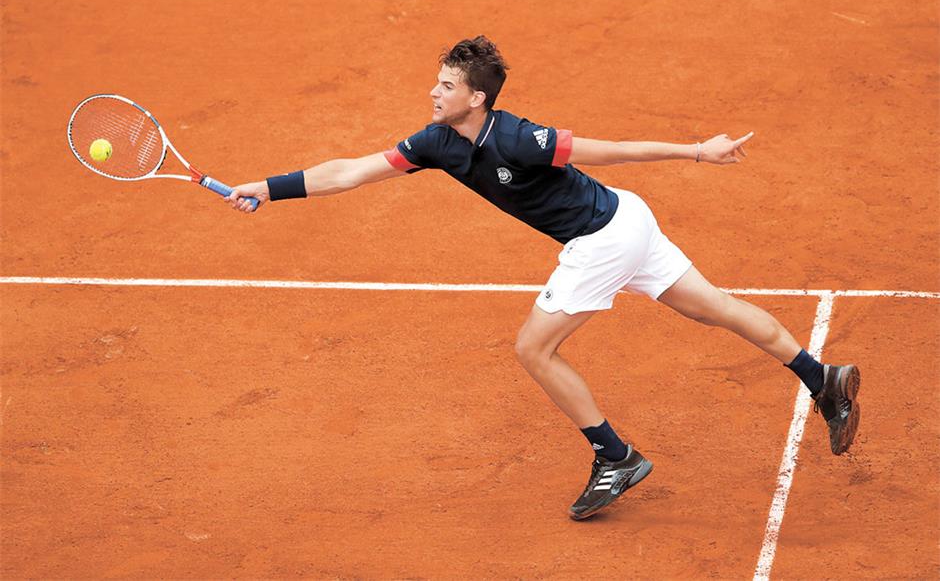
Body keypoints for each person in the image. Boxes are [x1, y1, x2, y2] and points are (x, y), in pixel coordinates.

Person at [225, 36, 861, 521]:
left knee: (534, 347)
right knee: (713, 306)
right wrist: (269, 189)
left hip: (602, 240)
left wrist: (696, 150)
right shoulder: (435, 143)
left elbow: (606, 150)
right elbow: (351, 172)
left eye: (445, 86)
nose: (434, 93)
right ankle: (821, 378)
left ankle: (616, 457)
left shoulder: (521, 138)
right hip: (627, 220)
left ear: (477, 96)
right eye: (436, 83)